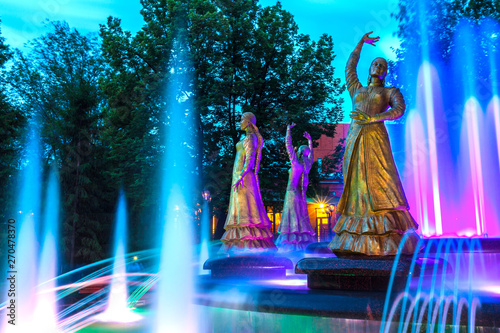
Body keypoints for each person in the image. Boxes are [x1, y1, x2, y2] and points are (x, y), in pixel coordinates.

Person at [328, 32, 420, 256]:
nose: (378, 67)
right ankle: (355, 232)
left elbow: (399, 110)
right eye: (375, 64)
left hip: (376, 139)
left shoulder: (389, 91)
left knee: (381, 180)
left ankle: (389, 232)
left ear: (385, 72)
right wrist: (360, 43)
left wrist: (372, 119)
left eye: (382, 65)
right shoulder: (356, 90)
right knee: (356, 181)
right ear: (369, 69)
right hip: (354, 139)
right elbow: (349, 67)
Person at [219, 112, 276, 254]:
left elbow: (250, 159)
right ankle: (240, 243)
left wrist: (241, 176)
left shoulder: (250, 138)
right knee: (241, 210)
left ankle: (248, 243)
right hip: (239, 177)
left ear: (249, 122)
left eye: (242, 119)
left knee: (247, 210)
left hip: (244, 178)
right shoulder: (247, 137)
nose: (239, 122)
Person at [276, 123, 315, 252]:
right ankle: (301, 241)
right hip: (299, 192)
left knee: (291, 214)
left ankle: (290, 242)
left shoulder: (295, 162)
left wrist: (288, 131)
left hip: (291, 192)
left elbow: (288, 145)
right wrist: (310, 141)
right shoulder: (306, 165)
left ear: (298, 151)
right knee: (299, 214)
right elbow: (312, 157)